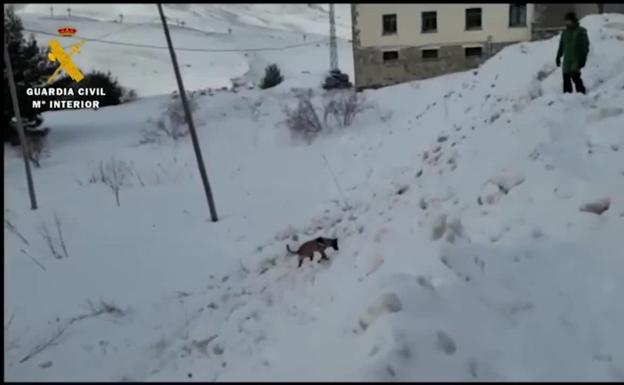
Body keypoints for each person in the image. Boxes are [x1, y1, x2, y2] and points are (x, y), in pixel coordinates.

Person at [556, 12, 590, 94]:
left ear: (572, 20)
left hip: (576, 58)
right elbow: (561, 46)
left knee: (575, 76)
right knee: (566, 77)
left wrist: (582, 60)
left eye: (568, 21)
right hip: (567, 59)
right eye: (566, 21)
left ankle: (581, 94)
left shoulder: (581, 31)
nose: (566, 23)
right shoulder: (565, 33)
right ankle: (567, 97)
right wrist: (558, 57)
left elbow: (585, 47)